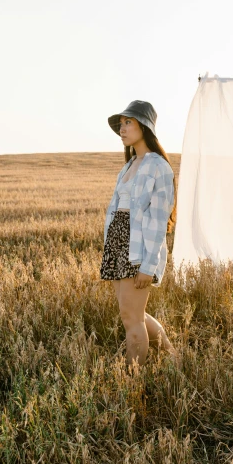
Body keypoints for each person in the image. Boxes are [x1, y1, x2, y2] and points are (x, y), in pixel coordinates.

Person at [101, 100, 178, 366]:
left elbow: (158, 221)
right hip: (118, 243)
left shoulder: (158, 166)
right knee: (133, 313)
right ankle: (172, 356)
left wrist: (149, 265)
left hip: (138, 249)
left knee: (132, 317)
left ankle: (132, 383)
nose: (122, 129)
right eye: (121, 124)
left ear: (144, 127)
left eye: (128, 122)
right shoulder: (130, 164)